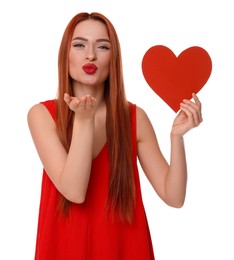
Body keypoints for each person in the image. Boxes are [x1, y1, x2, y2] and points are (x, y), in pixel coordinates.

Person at [27, 12, 203, 260]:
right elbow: (75, 191)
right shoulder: (42, 115)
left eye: (102, 46)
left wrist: (177, 137)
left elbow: (173, 196)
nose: (91, 55)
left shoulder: (134, 118)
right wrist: (84, 120)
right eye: (79, 45)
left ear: (114, 58)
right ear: (65, 55)